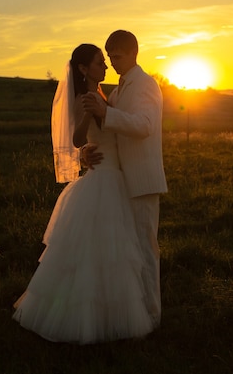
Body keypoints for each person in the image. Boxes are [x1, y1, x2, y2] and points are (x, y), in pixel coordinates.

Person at [12, 43, 154, 344]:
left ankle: (108, 314)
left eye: (106, 61)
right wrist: (88, 127)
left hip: (116, 177)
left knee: (115, 254)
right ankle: (80, 318)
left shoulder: (106, 94)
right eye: (99, 62)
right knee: (93, 253)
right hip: (102, 180)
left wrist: (100, 113)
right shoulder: (84, 98)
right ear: (82, 69)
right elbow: (77, 137)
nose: (104, 67)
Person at [81, 30, 168, 328]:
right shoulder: (118, 90)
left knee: (145, 250)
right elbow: (107, 135)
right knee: (129, 252)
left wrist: (107, 113)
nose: (112, 63)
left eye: (116, 56)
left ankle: (152, 318)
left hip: (142, 181)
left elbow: (144, 125)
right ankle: (134, 314)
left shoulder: (145, 84)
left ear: (133, 53)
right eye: (109, 57)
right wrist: (86, 153)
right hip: (120, 181)